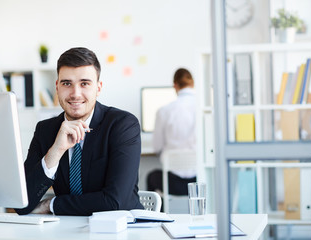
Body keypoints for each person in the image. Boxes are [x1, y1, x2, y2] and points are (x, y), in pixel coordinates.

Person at [15, 47, 143, 216]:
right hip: (66, 230)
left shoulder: (122, 125)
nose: (75, 94)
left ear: (98, 87)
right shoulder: (45, 130)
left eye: (84, 83)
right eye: (67, 83)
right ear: (57, 87)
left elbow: (115, 201)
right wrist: (56, 151)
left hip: (120, 229)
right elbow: (21, 204)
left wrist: (51, 205)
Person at [147, 68, 196, 196]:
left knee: (151, 177)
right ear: (193, 84)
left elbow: (157, 147)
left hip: (173, 183)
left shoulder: (164, 111)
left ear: (175, 85)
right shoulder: (204, 109)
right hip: (199, 181)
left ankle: (157, 215)